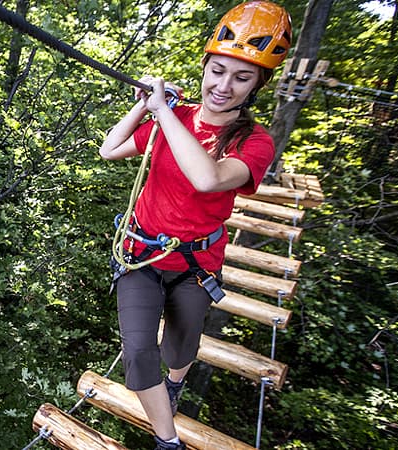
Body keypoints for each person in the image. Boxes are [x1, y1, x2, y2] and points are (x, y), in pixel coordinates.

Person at [97, 2, 291, 449]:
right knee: (140, 354)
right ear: (205, 67)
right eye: (218, 70)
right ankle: (168, 441)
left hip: (196, 262)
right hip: (142, 256)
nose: (224, 85)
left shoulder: (254, 141)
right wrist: (147, 107)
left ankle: (177, 383)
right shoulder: (175, 119)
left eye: (241, 77)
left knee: (180, 349)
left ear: (257, 85)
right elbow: (110, 149)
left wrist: (165, 113)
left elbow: (209, 178)